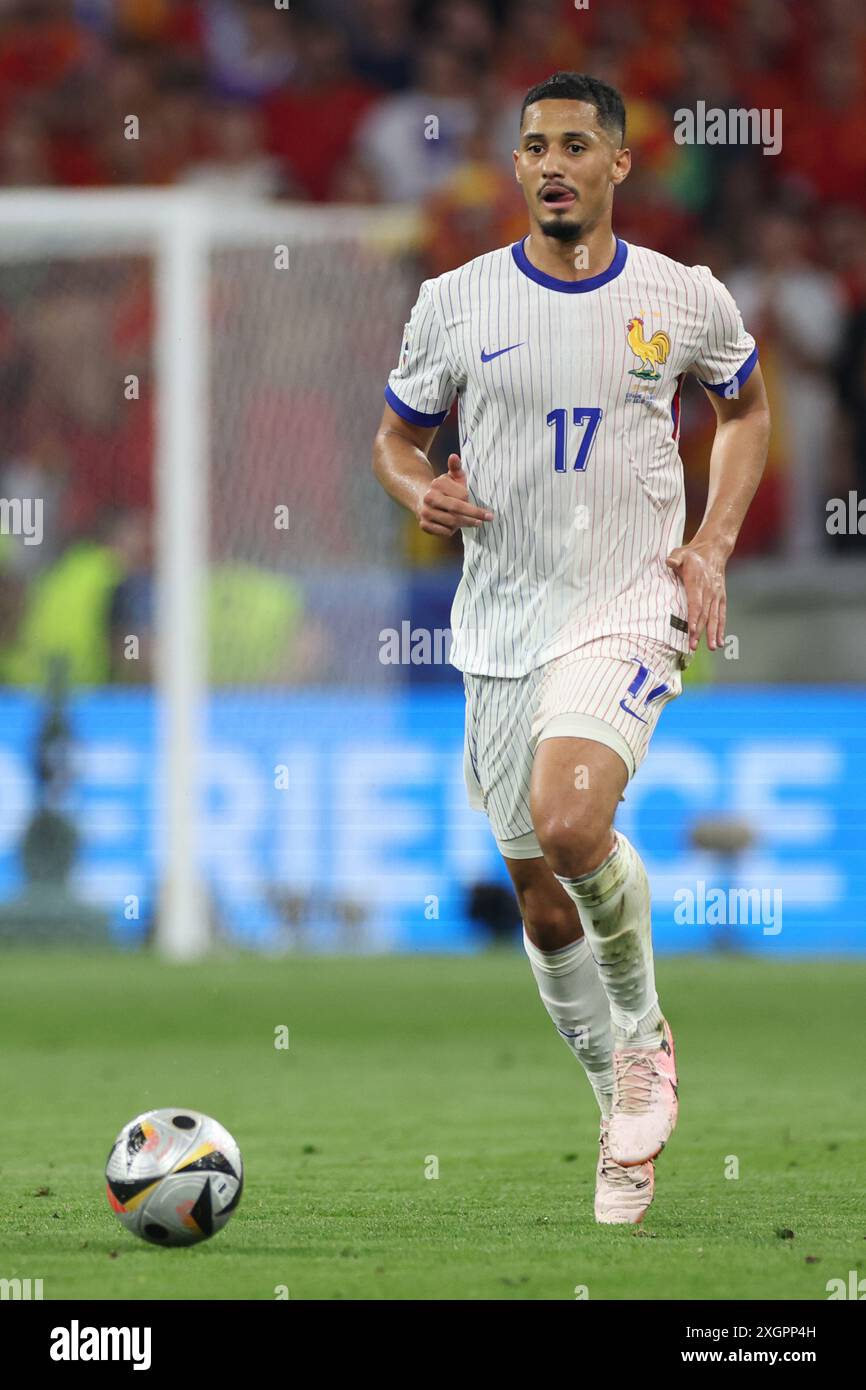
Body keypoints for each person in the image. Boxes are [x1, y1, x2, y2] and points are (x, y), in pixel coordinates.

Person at [372, 72, 770, 1224]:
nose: (550, 163)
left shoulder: (680, 296)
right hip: (500, 624)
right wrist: (421, 492)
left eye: (573, 145)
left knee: (569, 817)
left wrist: (709, 543)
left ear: (616, 165)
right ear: (517, 166)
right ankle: (614, 1104)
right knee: (543, 904)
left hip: (624, 602)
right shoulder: (452, 302)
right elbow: (395, 439)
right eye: (533, 145)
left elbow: (742, 407)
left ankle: (643, 1040)